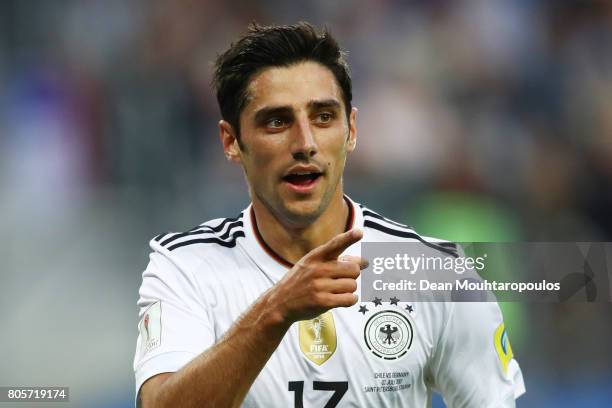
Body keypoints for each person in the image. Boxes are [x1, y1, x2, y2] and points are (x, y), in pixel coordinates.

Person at [133, 22, 525, 407]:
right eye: (277, 121)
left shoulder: (435, 272)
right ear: (231, 141)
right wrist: (276, 311)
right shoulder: (184, 268)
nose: (305, 143)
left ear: (351, 130)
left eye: (323, 117)